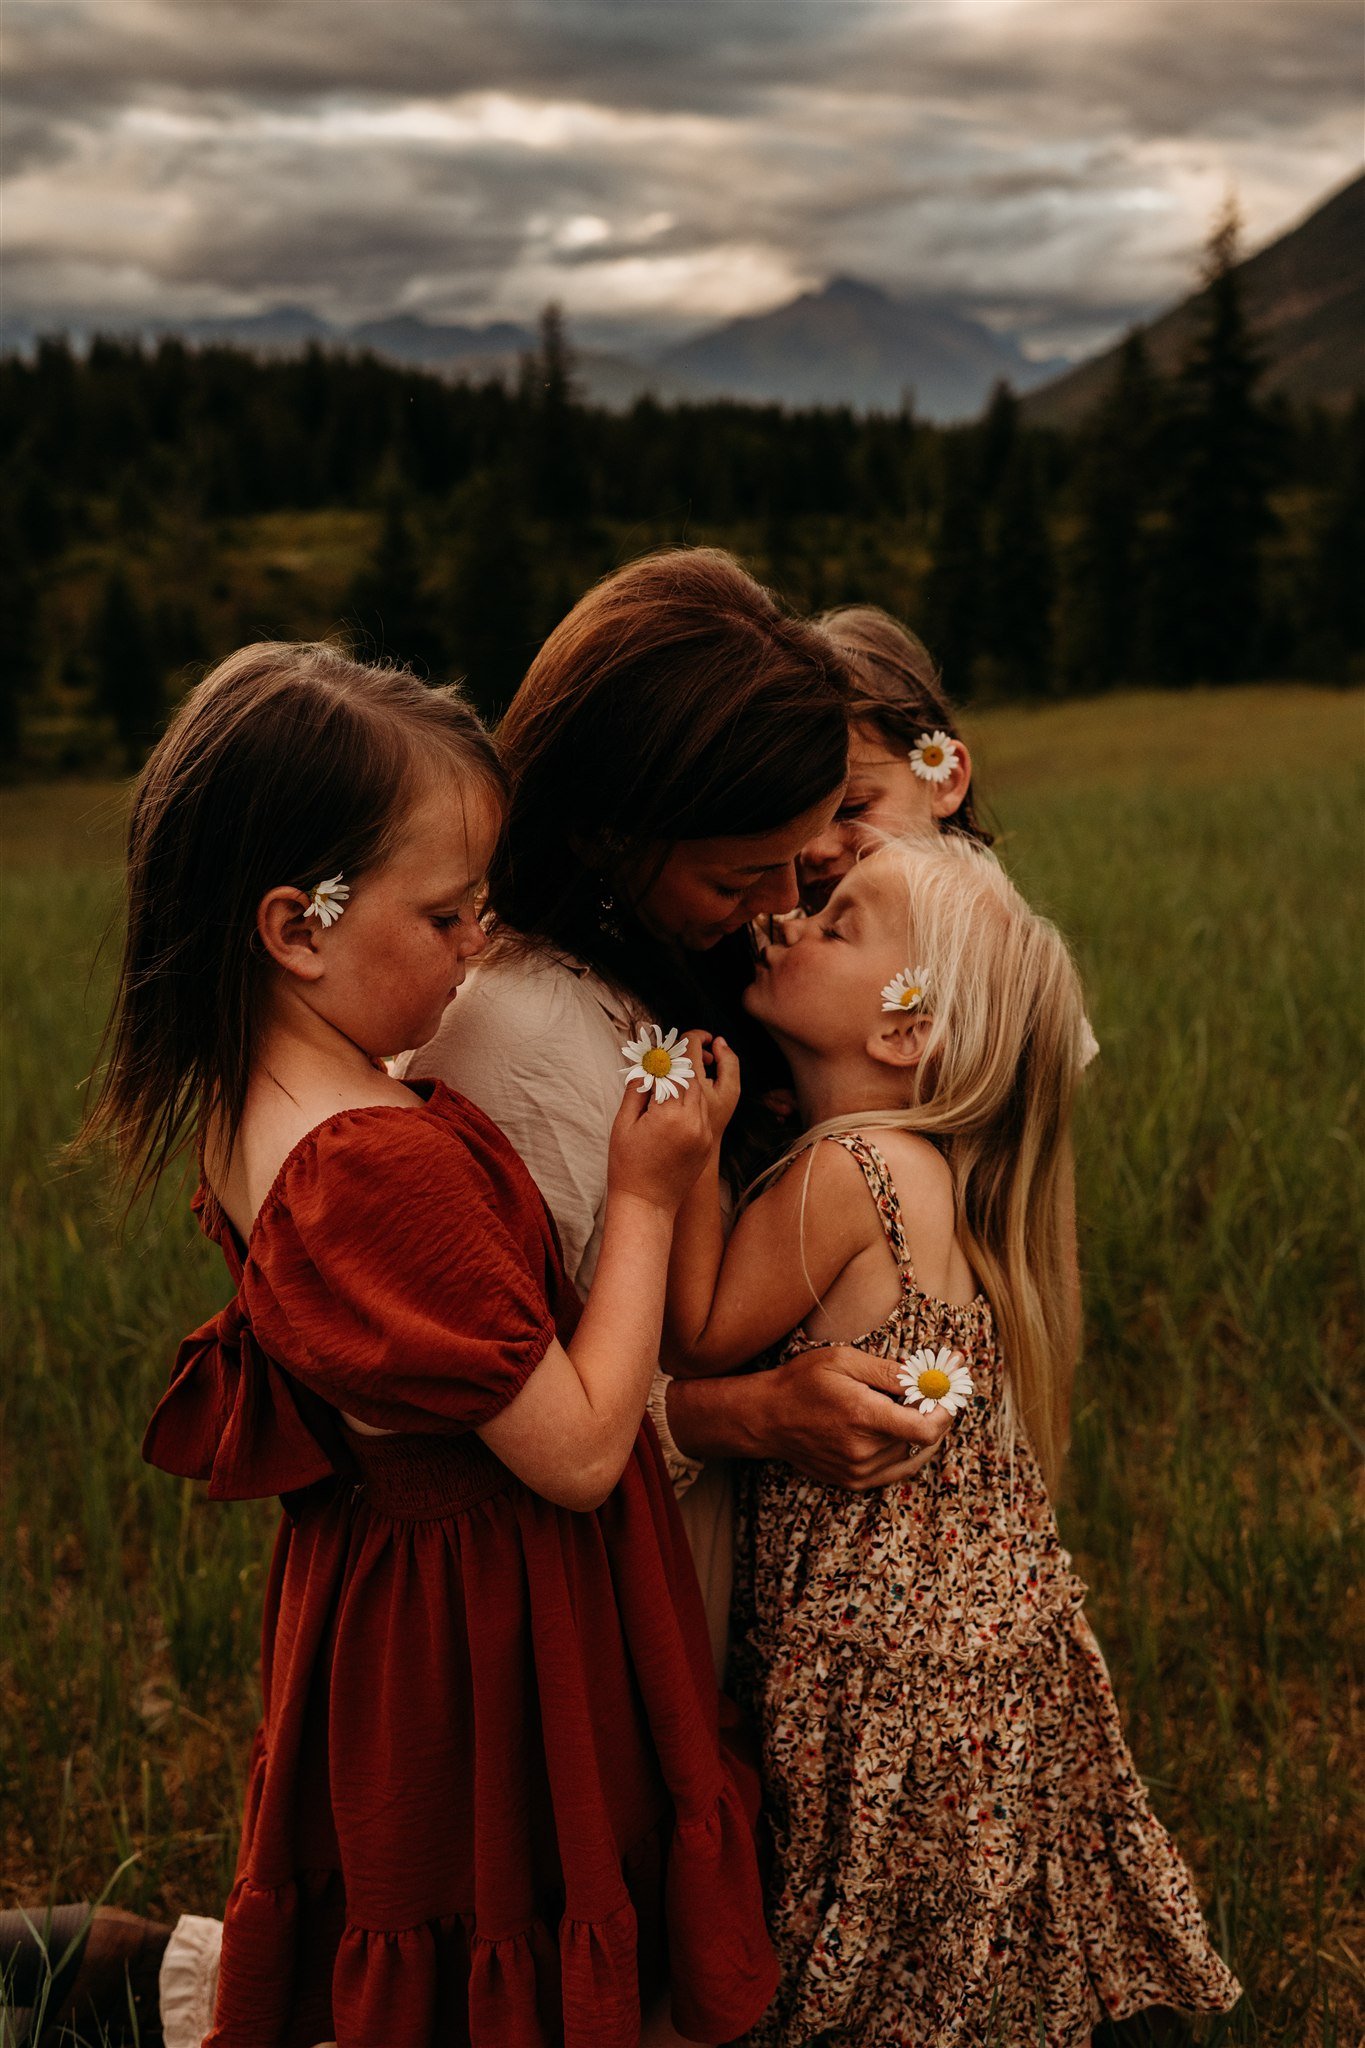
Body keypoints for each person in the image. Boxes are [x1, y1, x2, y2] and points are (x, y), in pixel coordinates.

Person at [78, 640, 778, 2048]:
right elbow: (579, 1447)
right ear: (297, 927)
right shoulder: (367, 1167)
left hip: (395, 1581)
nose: (480, 946)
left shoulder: (269, 1090)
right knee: (503, 1897)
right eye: (450, 913)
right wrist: (645, 1192)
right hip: (491, 1606)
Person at [663, 834, 1243, 2046]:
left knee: (861, 1917)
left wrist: (680, 1158)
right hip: (981, 1638)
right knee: (967, 1908)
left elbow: (703, 1335)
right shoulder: (934, 1172)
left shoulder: (836, 1174)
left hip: (872, 1651)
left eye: (838, 923)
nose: (792, 923)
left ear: (901, 1031)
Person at [407, 550, 955, 1687]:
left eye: (798, 868)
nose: (779, 910)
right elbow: (499, 1422)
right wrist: (750, 1413)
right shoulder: (522, 1042)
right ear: (613, 835)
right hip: (588, 1599)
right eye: (739, 877)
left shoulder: (655, 983)